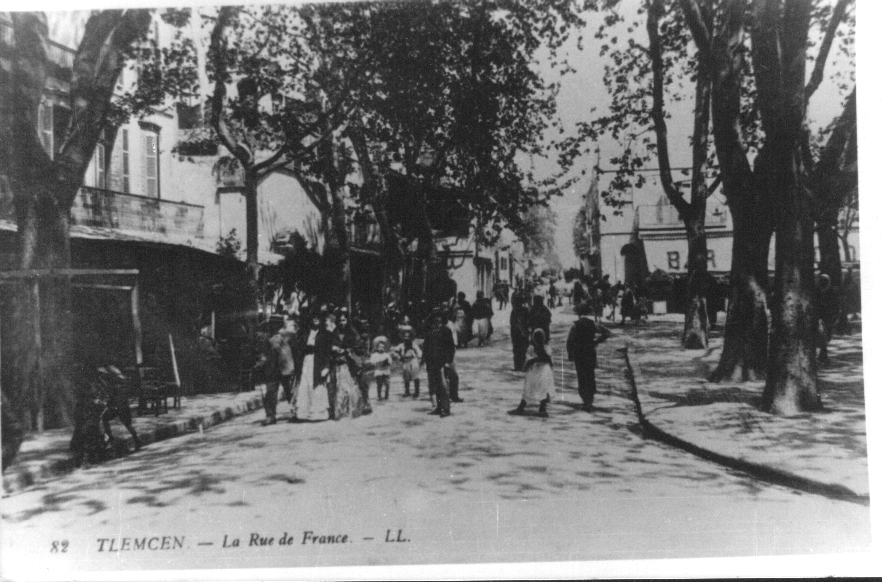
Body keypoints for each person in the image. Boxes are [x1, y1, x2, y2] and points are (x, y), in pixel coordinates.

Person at [567, 302, 612, 412]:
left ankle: (585, 400)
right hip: (590, 351)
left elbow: (570, 340)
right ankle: (590, 400)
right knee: (590, 374)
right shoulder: (593, 324)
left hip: (579, 352)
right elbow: (607, 333)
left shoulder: (575, 324)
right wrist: (596, 341)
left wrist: (570, 353)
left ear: (578, 314)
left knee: (581, 376)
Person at [294, 310, 332, 422]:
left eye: (318, 318)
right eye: (313, 318)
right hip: (307, 361)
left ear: (321, 320)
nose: (315, 320)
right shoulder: (305, 333)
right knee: (305, 385)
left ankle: (318, 413)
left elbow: (327, 352)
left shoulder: (325, 334)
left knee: (317, 385)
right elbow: (299, 349)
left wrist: (326, 367)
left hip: (318, 362)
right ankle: (304, 413)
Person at [508, 329, 556, 418]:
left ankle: (542, 408)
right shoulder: (531, 348)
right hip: (534, 370)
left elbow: (548, 361)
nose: (538, 340)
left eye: (540, 338)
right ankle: (521, 407)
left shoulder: (547, 348)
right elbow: (527, 362)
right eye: (536, 338)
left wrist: (537, 358)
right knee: (528, 387)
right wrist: (532, 361)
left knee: (544, 386)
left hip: (543, 370)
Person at [331, 308, 364, 419]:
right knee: (338, 388)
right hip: (337, 363)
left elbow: (359, 347)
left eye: (344, 320)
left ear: (347, 320)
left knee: (349, 388)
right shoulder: (335, 332)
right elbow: (329, 344)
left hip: (349, 364)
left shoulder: (353, 332)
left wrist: (347, 350)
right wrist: (333, 348)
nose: (342, 323)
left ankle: (351, 410)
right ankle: (339, 411)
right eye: (340, 321)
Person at [422, 310, 455, 417]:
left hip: (442, 362)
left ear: (442, 319)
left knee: (443, 386)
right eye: (435, 317)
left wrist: (448, 361)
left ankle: (445, 409)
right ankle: (439, 407)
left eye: (439, 317)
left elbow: (451, 347)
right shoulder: (430, 331)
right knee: (435, 385)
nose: (437, 319)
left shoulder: (446, 331)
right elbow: (426, 347)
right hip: (431, 363)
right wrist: (424, 360)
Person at [817, 273, 837, 366]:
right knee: (823, 336)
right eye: (822, 280)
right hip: (820, 318)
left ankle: (822, 355)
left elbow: (835, 306)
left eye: (825, 281)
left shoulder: (832, 292)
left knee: (828, 337)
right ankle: (823, 356)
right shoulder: (817, 291)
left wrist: (835, 317)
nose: (823, 282)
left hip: (829, 318)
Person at [510, 294, 531, 371]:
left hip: (515, 333)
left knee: (516, 350)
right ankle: (522, 365)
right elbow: (529, 321)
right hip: (523, 333)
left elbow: (511, 322)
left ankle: (517, 366)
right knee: (523, 350)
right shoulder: (525, 310)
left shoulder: (514, 311)